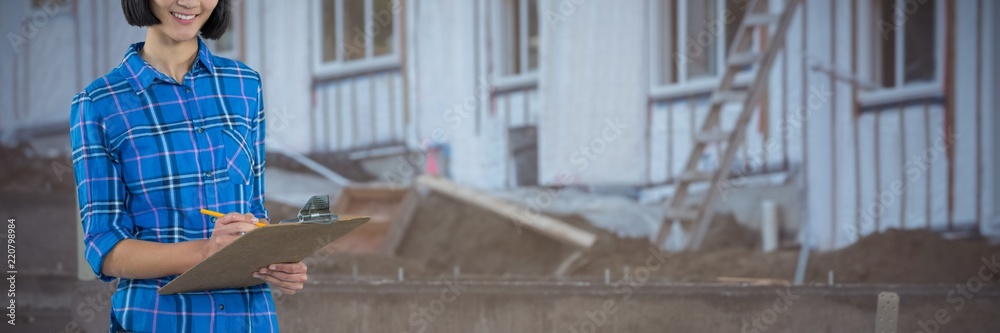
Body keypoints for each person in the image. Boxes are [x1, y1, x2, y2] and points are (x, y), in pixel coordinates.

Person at [69, 0, 306, 331]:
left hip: (250, 320)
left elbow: (253, 210)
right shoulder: (99, 104)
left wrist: (274, 260)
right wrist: (205, 251)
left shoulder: (244, 85)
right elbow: (104, 247)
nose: (190, 2)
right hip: (160, 320)